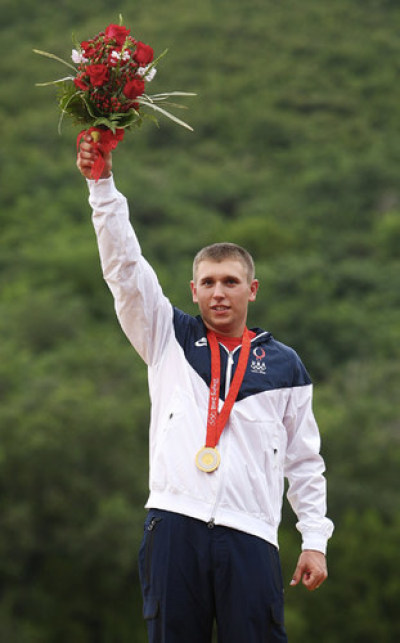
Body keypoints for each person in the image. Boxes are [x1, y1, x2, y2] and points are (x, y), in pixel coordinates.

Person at [77, 135, 334, 643]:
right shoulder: (167, 335)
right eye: (209, 282)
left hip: (252, 534)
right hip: (174, 523)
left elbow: (305, 461)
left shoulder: (286, 365)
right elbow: (125, 270)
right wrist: (101, 187)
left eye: (231, 282)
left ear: (251, 289)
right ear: (193, 289)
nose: (219, 292)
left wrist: (314, 539)